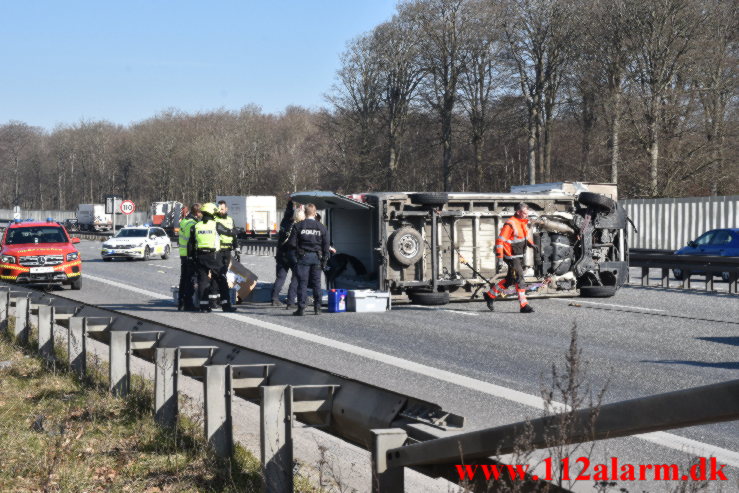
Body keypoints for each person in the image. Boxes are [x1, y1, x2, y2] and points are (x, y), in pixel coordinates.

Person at [484, 202, 537, 313]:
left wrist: (531, 244)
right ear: (518, 212)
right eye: (525, 213)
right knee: (520, 277)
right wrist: (500, 256)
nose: (527, 215)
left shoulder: (522, 222)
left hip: (518, 255)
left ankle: (490, 295)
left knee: (510, 280)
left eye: (527, 213)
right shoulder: (510, 223)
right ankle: (524, 305)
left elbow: (523, 237)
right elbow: (500, 240)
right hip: (511, 256)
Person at [188, 202, 236, 313]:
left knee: (203, 281)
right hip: (214, 257)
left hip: (200, 256)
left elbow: (190, 244)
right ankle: (226, 306)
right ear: (211, 213)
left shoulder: (196, 226)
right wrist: (235, 231)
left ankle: (204, 307)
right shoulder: (216, 225)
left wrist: (191, 258)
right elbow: (229, 232)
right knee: (222, 280)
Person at [287, 203, 330, 316]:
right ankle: (317, 308)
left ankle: (301, 308)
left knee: (302, 283)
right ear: (315, 213)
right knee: (317, 283)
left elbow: (291, 243)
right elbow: (326, 245)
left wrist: (298, 252)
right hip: (317, 257)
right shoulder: (321, 227)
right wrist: (325, 259)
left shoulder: (298, 226)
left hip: (303, 257)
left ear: (305, 213)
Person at [272, 199, 303, 308]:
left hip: (281, 254)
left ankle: (274, 298)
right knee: (296, 277)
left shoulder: (284, 222)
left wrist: (290, 203)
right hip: (292, 255)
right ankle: (290, 301)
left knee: (281, 277)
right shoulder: (299, 227)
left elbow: (288, 213)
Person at [212, 200, 239, 308]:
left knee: (223, 273)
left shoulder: (230, 220)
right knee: (218, 274)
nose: (221, 211)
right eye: (219, 209)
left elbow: (234, 235)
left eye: (222, 209)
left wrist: (237, 248)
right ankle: (215, 300)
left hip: (227, 250)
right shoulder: (215, 220)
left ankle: (220, 298)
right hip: (218, 250)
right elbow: (228, 232)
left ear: (226, 209)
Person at [177, 203, 201, 311]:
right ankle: (188, 303)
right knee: (191, 279)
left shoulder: (184, 221)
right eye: (201, 212)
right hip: (189, 254)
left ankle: (181, 302)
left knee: (184, 279)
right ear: (197, 212)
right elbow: (192, 241)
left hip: (183, 254)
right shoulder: (192, 224)